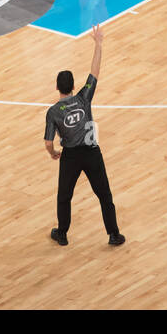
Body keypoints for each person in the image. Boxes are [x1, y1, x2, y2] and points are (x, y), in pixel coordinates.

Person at [43, 25, 124, 247]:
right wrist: (98, 44)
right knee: (104, 196)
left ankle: (62, 234)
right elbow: (94, 72)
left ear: (57, 87)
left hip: (70, 156)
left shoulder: (53, 112)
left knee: (64, 197)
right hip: (92, 153)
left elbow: (48, 142)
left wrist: (53, 153)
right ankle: (114, 234)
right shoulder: (83, 98)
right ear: (73, 86)